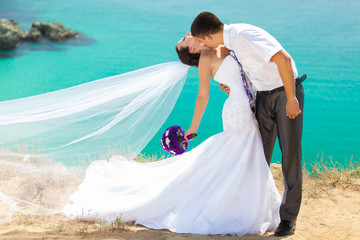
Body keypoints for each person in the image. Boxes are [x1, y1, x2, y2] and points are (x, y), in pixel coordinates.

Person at [61, 33, 282, 236]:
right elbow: (202, 97)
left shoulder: (219, 46)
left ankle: (242, 200)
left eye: (185, 37)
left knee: (241, 154)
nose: (187, 35)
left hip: (245, 104)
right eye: (185, 40)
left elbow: (242, 71)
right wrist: (193, 128)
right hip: (237, 111)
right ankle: (240, 204)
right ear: (192, 50)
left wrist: (233, 84)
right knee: (240, 152)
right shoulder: (205, 60)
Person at [189, 11, 305, 236]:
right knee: (258, 155)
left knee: (290, 155)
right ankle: (254, 210)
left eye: (202, 40)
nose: (202, 45)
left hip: (285, 94)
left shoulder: (244, 35)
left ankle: (288, 219)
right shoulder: (230, 45)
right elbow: (246, 70)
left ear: (209, 38)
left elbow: (283, 59)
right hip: (263, 96)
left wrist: (291, 99)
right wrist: (229, 84)